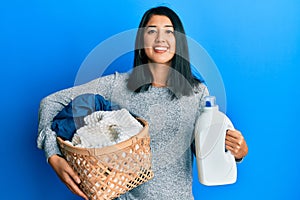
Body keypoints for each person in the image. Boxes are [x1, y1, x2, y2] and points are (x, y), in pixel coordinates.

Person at [37, 6, 248, 200]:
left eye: (168, 31)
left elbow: (204, 150)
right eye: (151, 31)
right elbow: (49, 102)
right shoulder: (117, 85)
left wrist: (236, 152)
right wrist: (53, 156)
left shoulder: (197, 93)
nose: (160, 38)